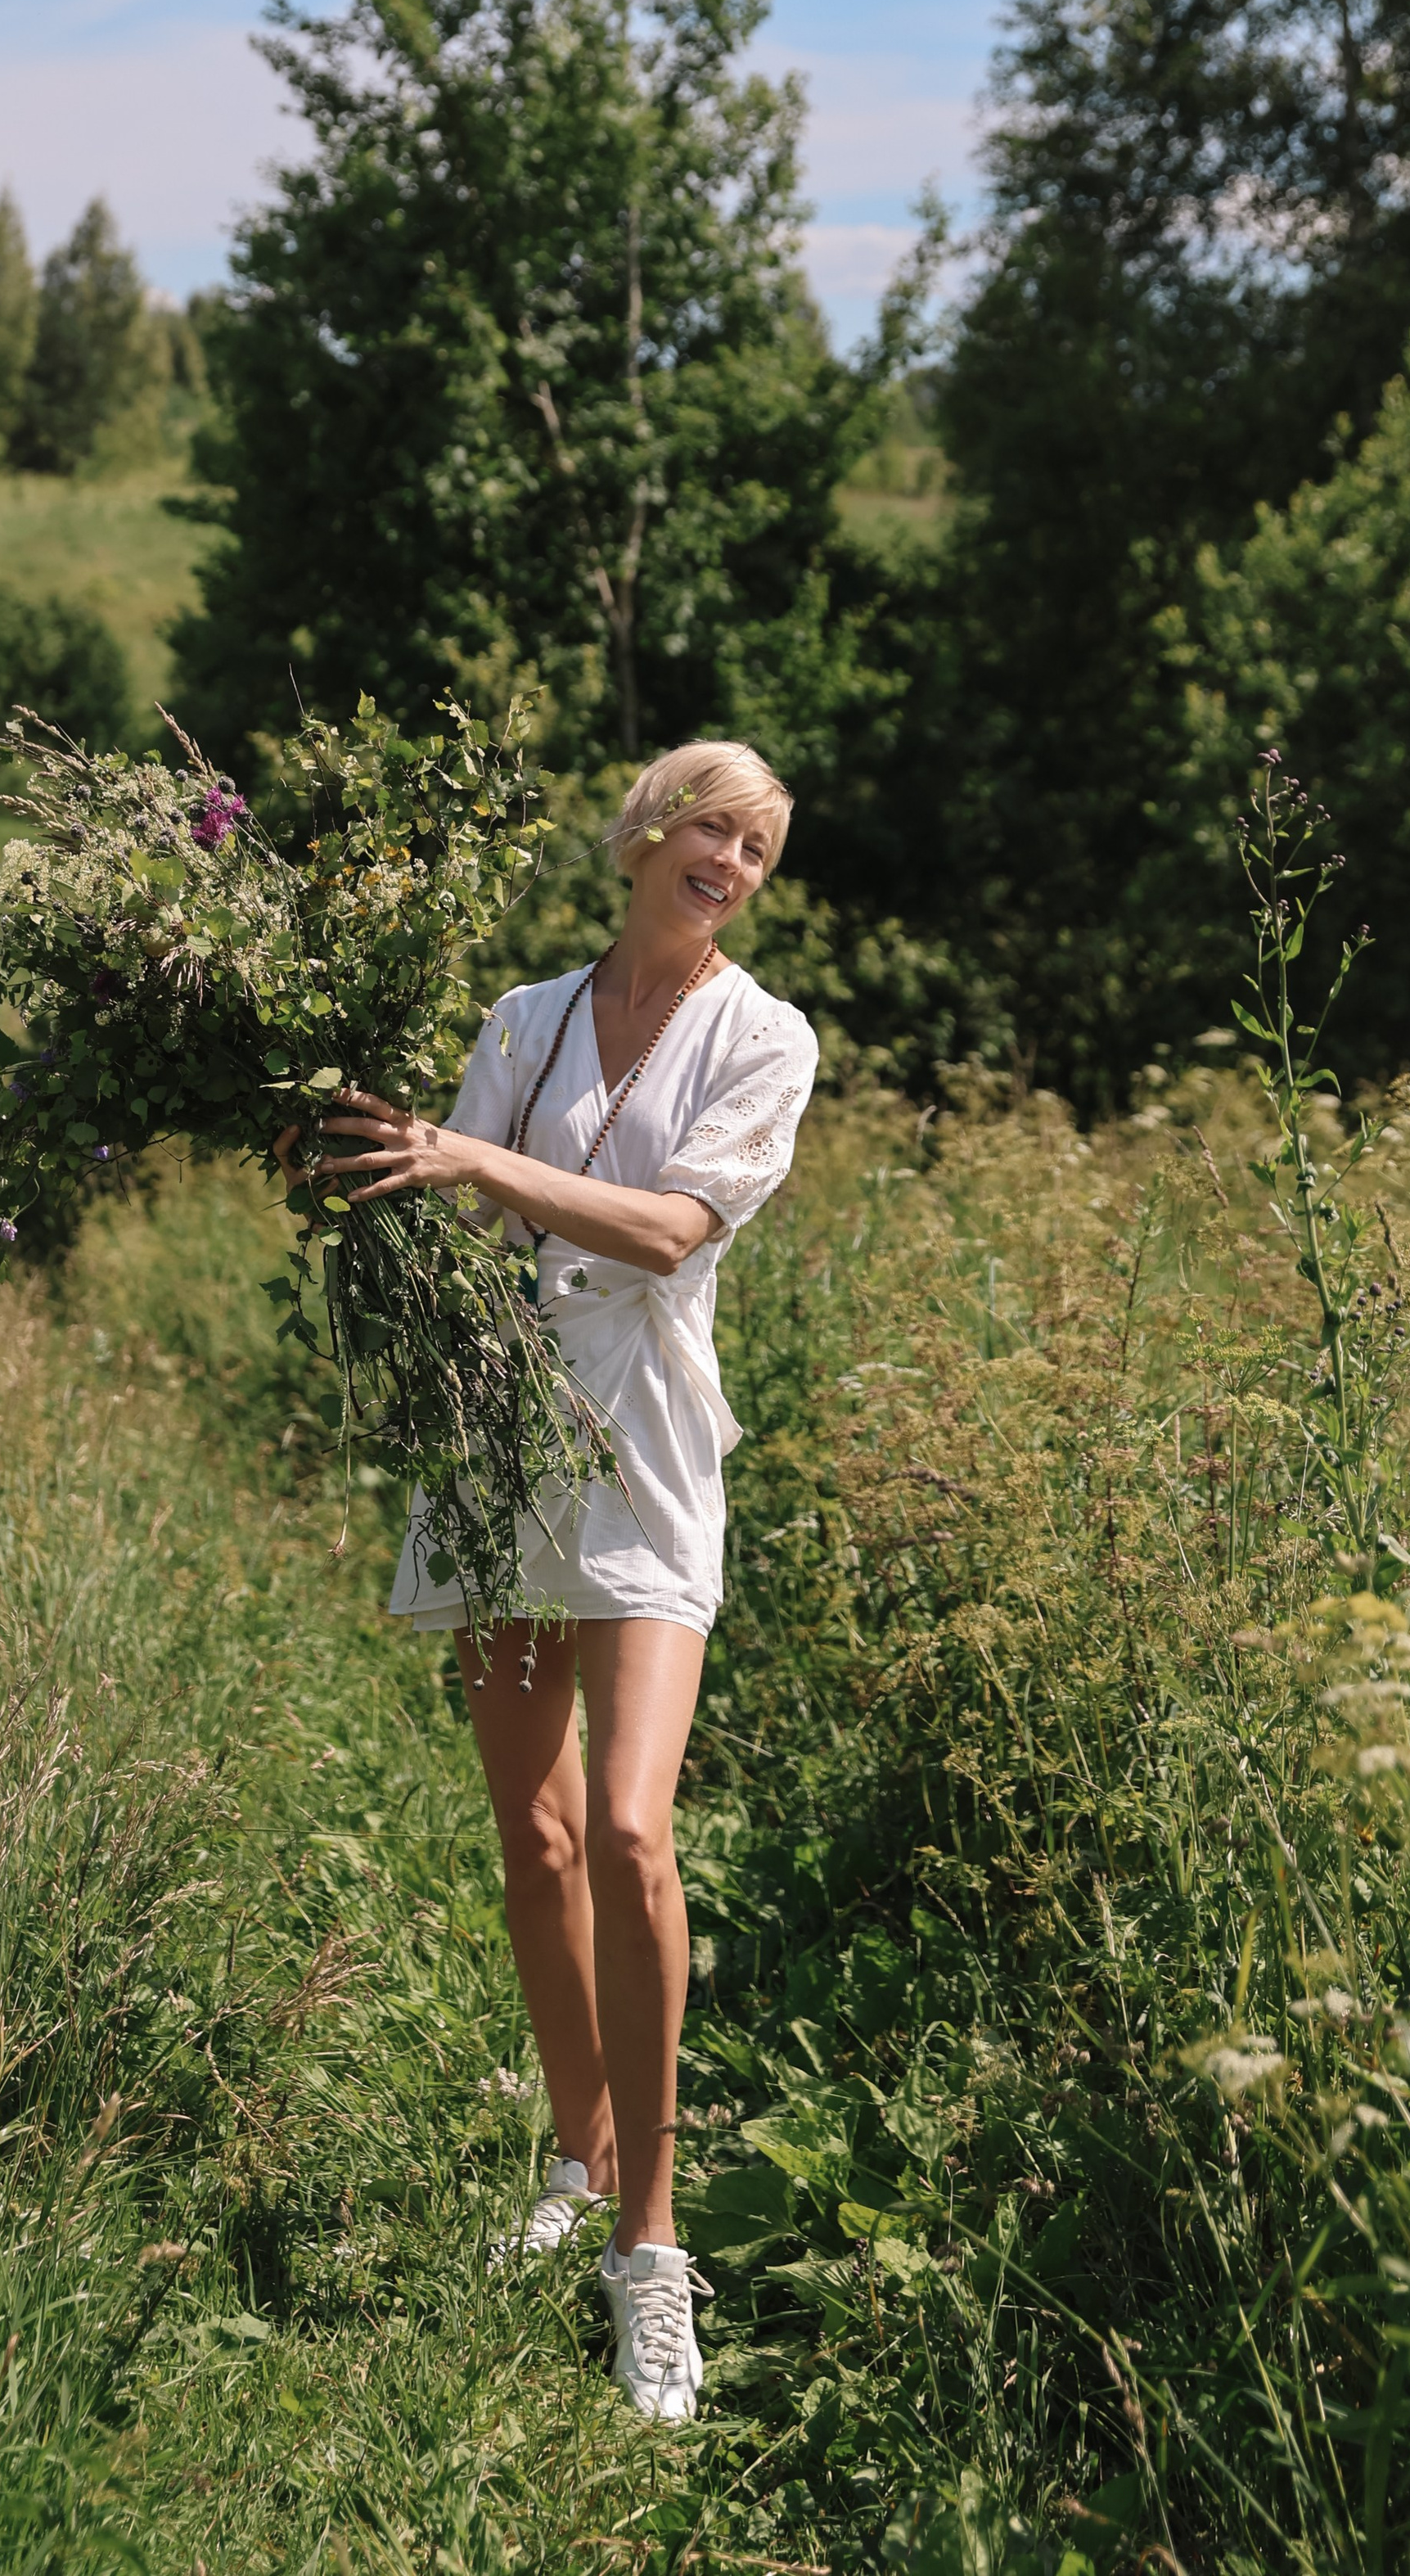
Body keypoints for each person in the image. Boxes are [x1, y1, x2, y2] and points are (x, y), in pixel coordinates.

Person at [308, 740, 818, 2425]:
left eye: (755, 847)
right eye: (710, 829)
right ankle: (576, 2159)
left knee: (626, 1830)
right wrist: (369, 1168)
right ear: (644, 830)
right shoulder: (522, 1021)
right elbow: (442, 1218)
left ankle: (651, 2258)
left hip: (646, 1460)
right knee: (528, 1842)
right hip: (498, 1448)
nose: (729, 861)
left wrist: (465, 1168)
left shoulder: (764, 1038)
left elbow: (667, 1234)